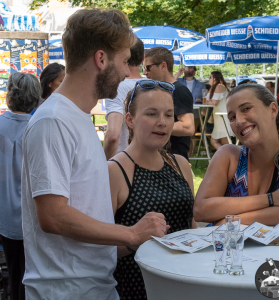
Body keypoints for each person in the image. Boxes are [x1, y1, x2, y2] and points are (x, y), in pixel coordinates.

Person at [21, 9, 168, 299]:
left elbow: (85, 209)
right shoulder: (54, 120)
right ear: (101, 59)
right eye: (125, 61)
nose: (128, 72)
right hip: (66, 290)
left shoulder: (76, 116)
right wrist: (131, 233)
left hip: (90, 286)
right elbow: (53, 216)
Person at [108, 80, 196, 300]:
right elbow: (99, 247)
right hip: (138, 286)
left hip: (185, 281)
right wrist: (135, 238)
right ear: (130, 120)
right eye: (151, 114)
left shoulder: (180, 165)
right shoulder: (115, 170)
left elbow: (191, 225)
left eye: (168, 115)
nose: (162, 122)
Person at [194, 84, 279, 226]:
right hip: (224, 248)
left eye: (246, 109)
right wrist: (271, 199)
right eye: (232, 117)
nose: (239, 121)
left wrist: (229, 222)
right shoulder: (229, 155)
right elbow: (201, 210)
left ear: (273, 110)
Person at [0, 73, 41, 300]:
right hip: (35, 218)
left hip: (6, 218)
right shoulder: (39, 128)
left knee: (15, 275)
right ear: (36, 97)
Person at [143, 47, 195, 160]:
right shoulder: (159, 90)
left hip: (173, 159)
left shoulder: (179, 90)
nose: (144, 72)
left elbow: (188, 127)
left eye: (148, 67)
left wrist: (150, 126)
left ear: (163, 66)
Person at [104, 38, 145, 160]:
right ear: (143, 58)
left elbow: (113, 135)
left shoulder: (116, 87)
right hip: (151, 163)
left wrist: (103, 165)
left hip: (122, 162)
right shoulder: (155, 87)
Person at [206, 71, 233, 150]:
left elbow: (214, 102)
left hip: (223, 118)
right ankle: (225, 156)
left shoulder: (219, 86)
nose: (209, 79)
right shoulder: (215, 87)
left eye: (210, 77)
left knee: (225, 143)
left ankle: (230, 157)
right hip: (219, 118)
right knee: (214, 141)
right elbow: (208, 100)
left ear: (215, 78)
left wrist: (207, 102)